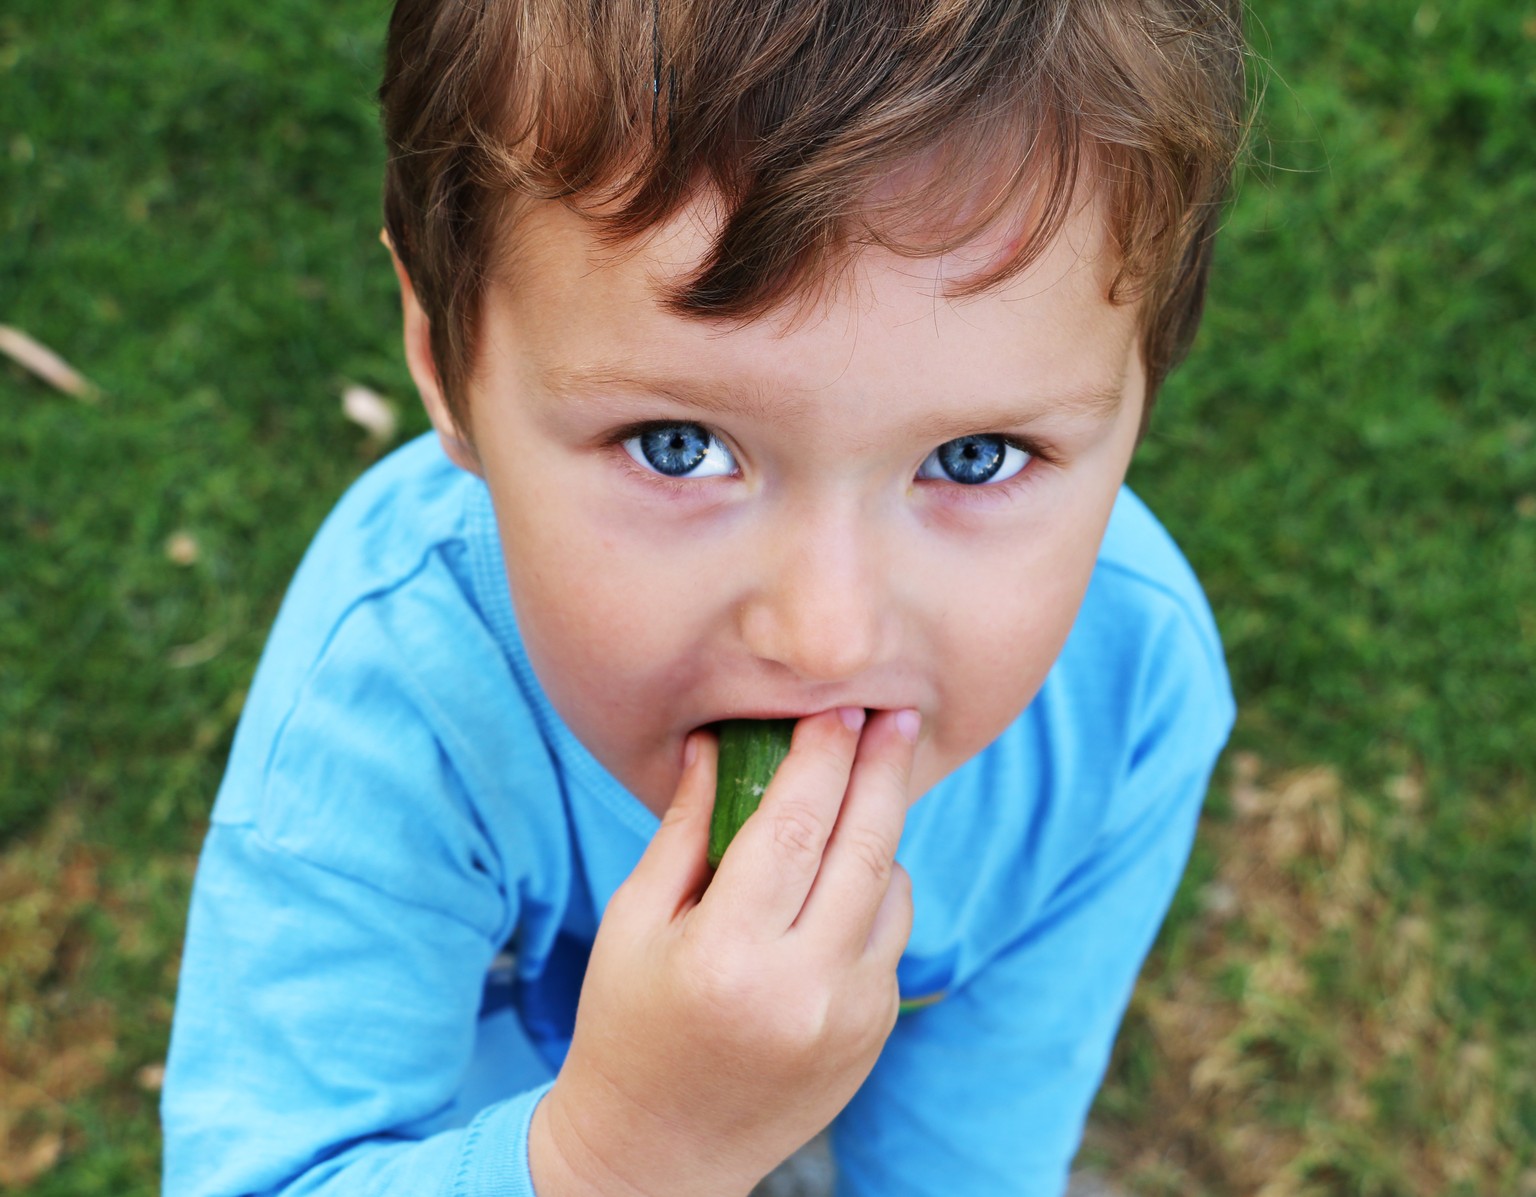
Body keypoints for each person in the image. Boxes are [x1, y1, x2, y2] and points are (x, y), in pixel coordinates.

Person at [161, 2, 1249, 1194]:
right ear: (444, 357)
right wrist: (620, 1156)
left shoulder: (1127, 694)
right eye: (678, 445)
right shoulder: (398, 704)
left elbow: (972, 1156)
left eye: (977, 457)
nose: (826, 635)